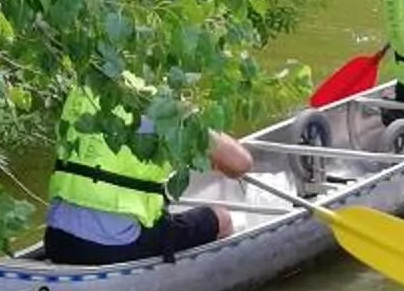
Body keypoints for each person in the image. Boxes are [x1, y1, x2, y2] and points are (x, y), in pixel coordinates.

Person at [42, 80, 258, 266]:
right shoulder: (157, 104)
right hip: (112, 247)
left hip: (57, 239)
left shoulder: (85, 87)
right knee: (222, 218)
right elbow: (241, 163)